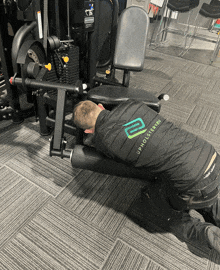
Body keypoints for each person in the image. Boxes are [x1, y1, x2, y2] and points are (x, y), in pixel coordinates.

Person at [73, 99, 220, 254]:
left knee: (153, 203)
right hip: (210, 155)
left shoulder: (105, 142)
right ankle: (210, 204)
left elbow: (121, 158)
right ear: (101, 106)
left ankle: (208, 235)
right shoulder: (132, 103)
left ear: (89, 131)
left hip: (195, 182)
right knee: (199, 186)